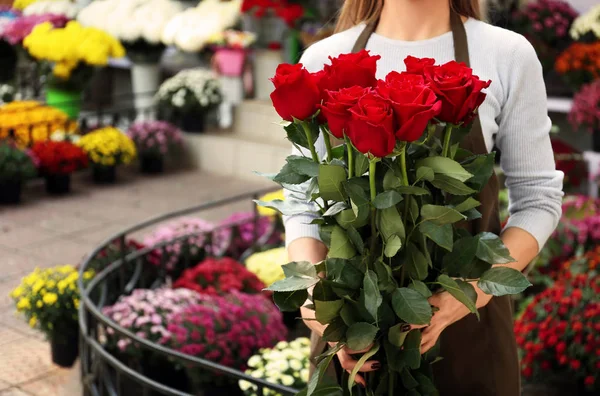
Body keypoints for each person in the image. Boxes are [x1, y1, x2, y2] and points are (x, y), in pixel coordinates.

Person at [282, 0, 564, 395]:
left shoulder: (506, 54)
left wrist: (469, 292)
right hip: (352, 343)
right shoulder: (325, 58)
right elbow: (301, 205)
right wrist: (316, 303)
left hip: (469, 334)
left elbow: (539, 200)